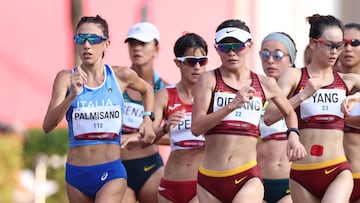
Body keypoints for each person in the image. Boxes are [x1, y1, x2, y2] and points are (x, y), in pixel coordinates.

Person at [191, 19, 306, 203]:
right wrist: (232, 105)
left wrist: (293, 135)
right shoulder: (208, 79)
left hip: (246, 177)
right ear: (216, 48)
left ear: (250, 46)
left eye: (237, 46)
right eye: (224, 47)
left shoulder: (264, 83)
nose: (231, 53)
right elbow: (196, 127)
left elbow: (290, 112)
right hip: (209, 179)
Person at [42, 15, 156, 203]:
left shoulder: (120, 76)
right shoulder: (65, 78)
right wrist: (71, 96)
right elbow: (47, 125)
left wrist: (147, 119)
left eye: (94, 39)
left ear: (106, 44)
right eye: (81, 39)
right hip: (76, 175)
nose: (87, 45)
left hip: (110, 171)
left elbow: (148, 89)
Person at [264, 14, 360, 202]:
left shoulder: (346, 80)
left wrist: (356, 97)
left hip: (337, 169)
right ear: (313, 43)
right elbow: (269, 117)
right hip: (301, 175)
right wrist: (303, 95)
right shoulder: (293, 76)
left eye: (338, 46)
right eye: (329, 45)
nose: (334, 51)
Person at [152, 32, 208, 203]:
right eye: (191, 61)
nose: (197, 67)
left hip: (202, 184)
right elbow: (148, 137)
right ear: (177, 62)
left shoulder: (213, 95)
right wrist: (165, 128)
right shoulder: (164, 95)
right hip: (170, 184)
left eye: (202, 61)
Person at [120, 21, 166, 203]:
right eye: (132, 43)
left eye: (143, 43)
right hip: (118, 167)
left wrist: (143, 136)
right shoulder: (115, 85)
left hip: (150, 167)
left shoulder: (164, 89)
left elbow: (180, 134)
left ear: (157, 49)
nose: (137, 48)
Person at [257, 32, 297, 203]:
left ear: (291, 60)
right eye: (265, 54)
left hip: (291, 182)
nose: (270, 60)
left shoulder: (302, 92)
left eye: (278, 55)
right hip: (256, 181)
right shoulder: (252, 93)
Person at [339, 22, 360, 203]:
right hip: (331, 177)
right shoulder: (323, 83)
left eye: (354, 43)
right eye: (342, 43)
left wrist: (341, 120)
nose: (348, 48)